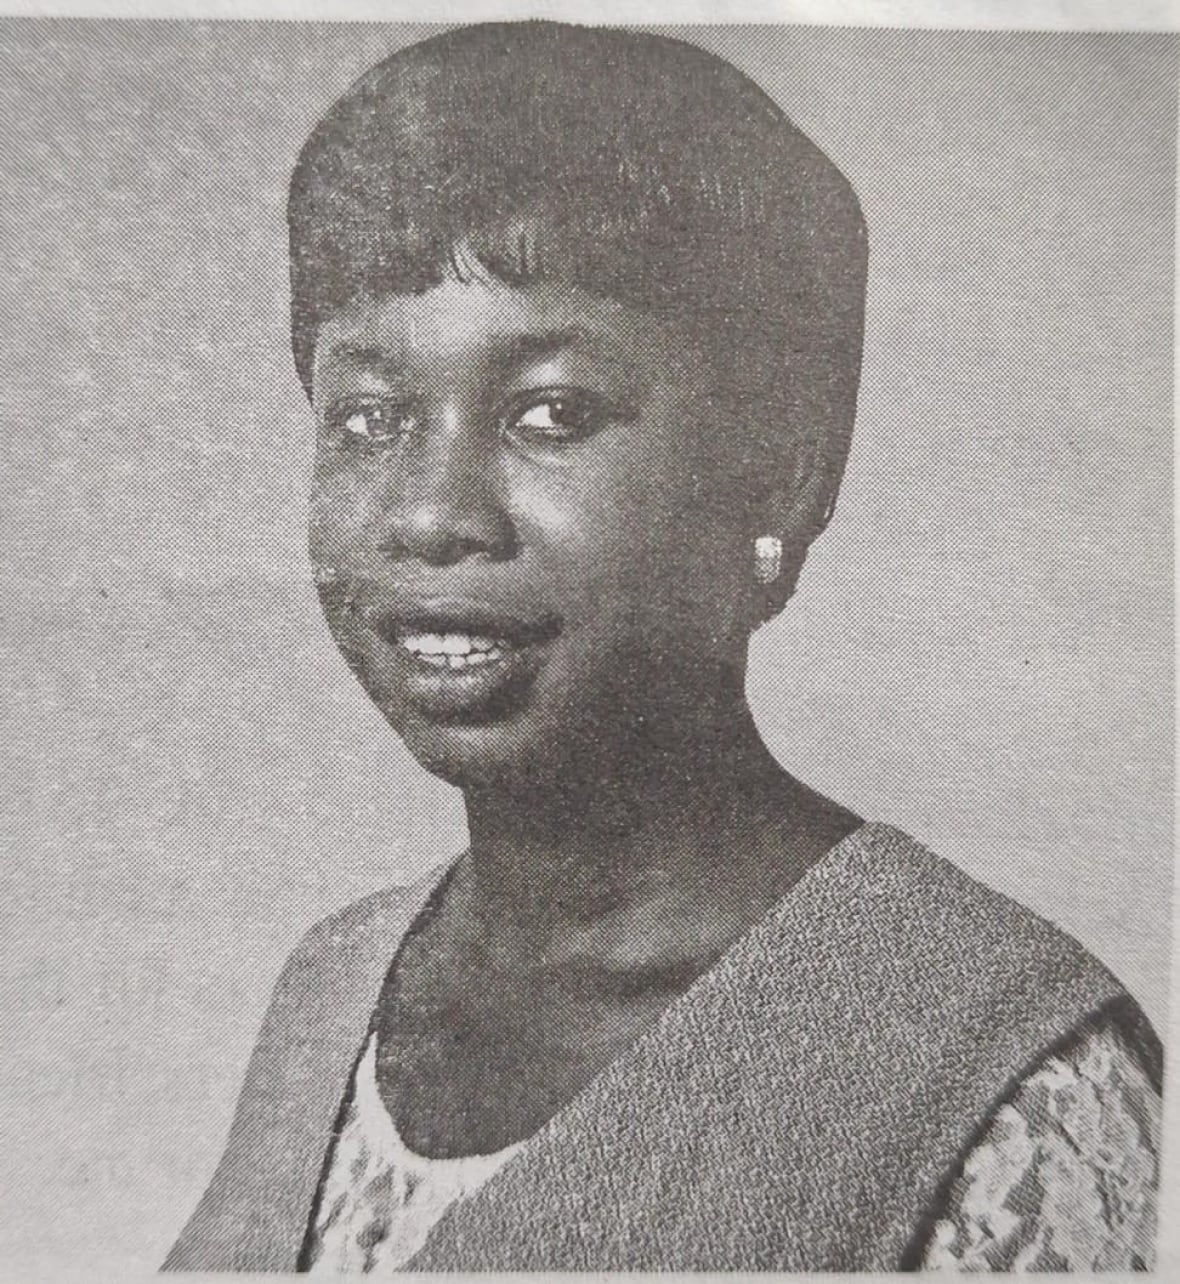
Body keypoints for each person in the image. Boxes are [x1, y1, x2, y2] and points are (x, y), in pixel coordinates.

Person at [164, 21, 1161, 1274]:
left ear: (779, 477)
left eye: (551, 413)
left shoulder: (988, 1056)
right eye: (366, 416)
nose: (427, 513)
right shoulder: (336, 990)